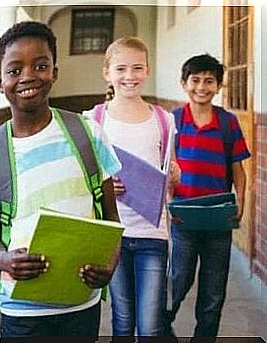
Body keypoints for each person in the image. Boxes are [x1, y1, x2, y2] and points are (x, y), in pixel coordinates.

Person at [0, 21, 123, 339]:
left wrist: (109, 266)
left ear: (54, 72)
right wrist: (5, 259)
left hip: (81, 303)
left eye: (40, 65)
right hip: (22, 310)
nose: (28, 76)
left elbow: (111, 220)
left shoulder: (88, 133)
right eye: (15, 70)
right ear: (0, 83)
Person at [83, 37, 181, 339]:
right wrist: (103, 183)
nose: (130, 76)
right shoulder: (94, 120)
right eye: (121, 68)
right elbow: (85, 176)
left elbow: (172, 168)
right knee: (122, 321)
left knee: (150, 326)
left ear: (148, 70)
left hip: (153, 232)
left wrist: (174, 175)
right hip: (113, 235)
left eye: (137, 68)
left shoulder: (164, 120)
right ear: (107, 72)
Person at [165, 54, 251, 339]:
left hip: (218, 222)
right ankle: (162, 330)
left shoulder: (227, 123)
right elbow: (163, 170)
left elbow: (239, 171)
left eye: (209, 81)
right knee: (176, 284)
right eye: (195, 80)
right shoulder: (173, 121)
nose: (202, 87)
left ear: (219, 86)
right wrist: (167, 206)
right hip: (182, 220)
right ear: (183, 83)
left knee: (213, 293)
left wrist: (240, 205)